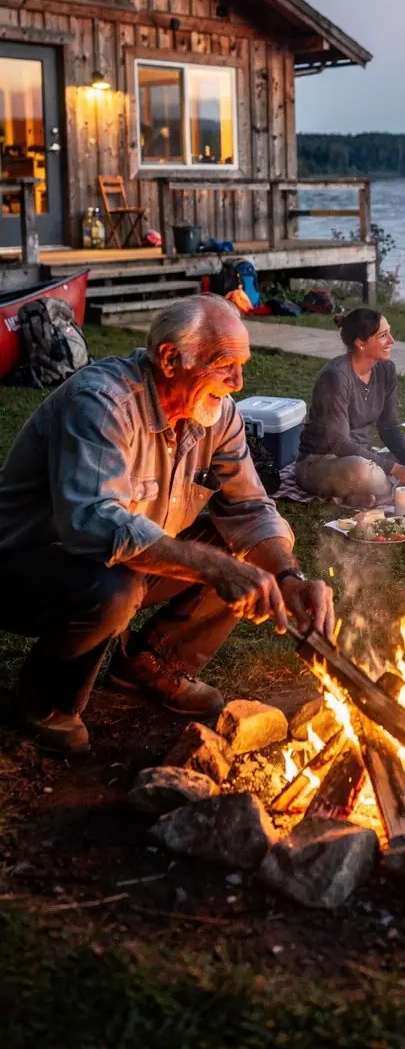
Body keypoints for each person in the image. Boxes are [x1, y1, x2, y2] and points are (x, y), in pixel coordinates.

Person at [0, 295, 334, 757]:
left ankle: (151, 662)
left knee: (234, 545)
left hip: (124, 562)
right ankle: (44, 701)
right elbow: (92, 525)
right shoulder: (102, 402)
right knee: (116, 586)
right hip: (27, 566)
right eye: (224, 366)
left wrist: (287, 576)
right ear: (171, 359)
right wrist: (213, 568)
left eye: (242, 365)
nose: (238, 382)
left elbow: (251, 510)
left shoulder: (218, 415)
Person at [295, 307, 405, 505]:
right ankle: (393, 491)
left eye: (390, 333)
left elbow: (388, 427)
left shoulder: (386, 369)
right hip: (323, 460)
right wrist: (394, 468)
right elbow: (340, 444)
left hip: (367, 457)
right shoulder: (335, 377)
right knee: (367, 474)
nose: (392, 341)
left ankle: (365, 497)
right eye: (383, 335)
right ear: (360, 343)